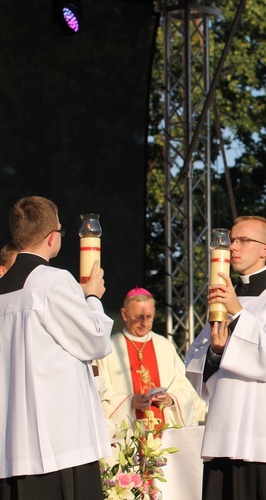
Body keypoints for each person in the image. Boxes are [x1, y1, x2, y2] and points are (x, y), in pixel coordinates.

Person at [185, 215, 266, 500]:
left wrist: (238, 312)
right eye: (231, 240)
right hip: (224, 430)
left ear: (265, 249)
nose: (233, 247)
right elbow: (196, 360)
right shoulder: (222, 299)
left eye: (243, 240)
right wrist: (216, 351)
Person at [0, 196, 113, 500]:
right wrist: (92, 298)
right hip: (60, 443)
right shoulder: (53, 281)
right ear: (52, 238)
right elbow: (96, 341)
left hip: (11, 444)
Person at [94, 287, 205, 429]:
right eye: (139, 317)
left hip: (164, 434)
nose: (145, 323)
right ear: (124, 314)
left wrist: (171, 399)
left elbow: (187, 389)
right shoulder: (108, 349)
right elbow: (99, 394)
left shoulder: (165, 346)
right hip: (128, 435)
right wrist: (129, 401)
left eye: (149, 317)